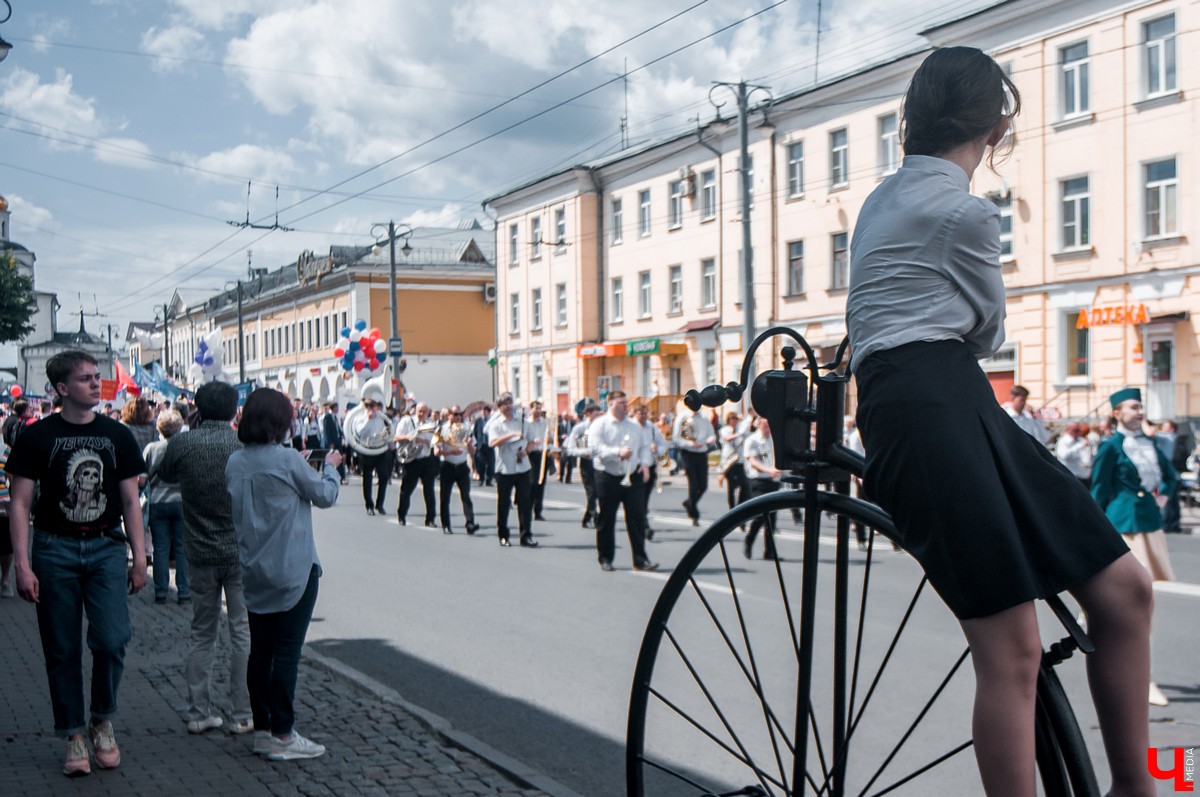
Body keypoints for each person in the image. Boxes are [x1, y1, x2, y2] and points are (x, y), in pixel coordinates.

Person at [846, 48, 1153, 797]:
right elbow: (987, 330)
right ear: (997, 125)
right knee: (1013, 648)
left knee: (1123, 591)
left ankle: (1135, 787)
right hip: (933, 405)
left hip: (939, 403)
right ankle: (1129, 783)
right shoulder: (964, 211)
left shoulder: (880, 200)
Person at [5, 350, 148, 777]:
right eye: (86, 378)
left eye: (96, 377)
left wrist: (140, 556)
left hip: (105, 547)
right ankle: (73, 735)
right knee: (62, 648)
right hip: (54, 550)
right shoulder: (36, 437)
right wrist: (23, 564)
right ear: (62, 389)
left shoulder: (117, 435)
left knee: (111, 639)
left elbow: (129, 500)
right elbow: (19, 503)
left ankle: (102, 719)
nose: (95, 383)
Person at [226, 388, 342, 761]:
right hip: (292, 568)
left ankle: (263, 730)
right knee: (287, 654)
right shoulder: (287, 458)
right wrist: (332, 467)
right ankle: (284, 733)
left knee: (260, 653)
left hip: (255, 569)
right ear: (279, 421)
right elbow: (323, 495)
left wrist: (299, 465)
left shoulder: (236, 462)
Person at [158, 381, 254, 736]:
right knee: (242, 632)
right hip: (239, 550)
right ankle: (243, 714)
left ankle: (199, 711)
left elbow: (165, 474)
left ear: (197, 406)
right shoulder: (243, 444)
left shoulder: (183, 443)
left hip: (198, 551)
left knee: (202, 633)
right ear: (233, 410)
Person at [1090, 388, 1178, 707]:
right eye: (1133, 407)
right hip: (1123, 524)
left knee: (1144, 598)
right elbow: (1099, 490)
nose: (1139, 412)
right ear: (1117, 413)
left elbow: (1169, 476)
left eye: (1141, 407)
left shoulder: (1151, 442)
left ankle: (1094, 613)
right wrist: (1092, 532)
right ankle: (1144, 677)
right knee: (1141, 599)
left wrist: (1164, 496)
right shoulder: (1111, 447)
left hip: (1149, 524)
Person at [587, 391, 656, 572]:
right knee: (607, 518)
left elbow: (644, 447)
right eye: (621, 403)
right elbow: (594, 448)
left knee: (637, 517)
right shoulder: (600, 424)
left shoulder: (634, 426)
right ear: (610, 404)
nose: (625, 406)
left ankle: (640, 560)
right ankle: (606, 558)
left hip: (632, 475)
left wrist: (645, 465)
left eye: (626, 403)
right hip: (607, 475)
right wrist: (617, 452)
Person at [142, 409, 189, 605]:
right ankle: (184, 591)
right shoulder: (186, 447)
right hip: (181, 502)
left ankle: (161, 591)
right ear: (179, 427)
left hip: (158, 502)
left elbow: (142, 477)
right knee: (182, 548)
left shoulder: (152, 448)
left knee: (160, 548)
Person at [485, 394, 536, 547]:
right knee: (504, 503)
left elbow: (532, 441)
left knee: (525, 503)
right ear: (499, 407)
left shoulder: (522, 421)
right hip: (505, 468)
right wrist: (511, 435)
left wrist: (526, 451)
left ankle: (526, 535)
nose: (508, 406)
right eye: (504, 404)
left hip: (522, 467)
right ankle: (503, 535)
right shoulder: (496, 424)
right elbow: (493, 443)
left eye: (509, 403)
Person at [742, 416, 782, 560]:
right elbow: (753, 461)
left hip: (773, 481)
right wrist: (768, 470)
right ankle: (750, 538)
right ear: (758, 424)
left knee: (772, 518)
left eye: (770, 425)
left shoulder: (774, 439)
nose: (768, 429)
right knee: (760, 515)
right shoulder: (752, 440)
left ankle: (769, 551)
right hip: (758, 481)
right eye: (766, 425)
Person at [434, 406, 479, 534]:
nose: (458, 417)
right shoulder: (442, 429)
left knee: (466, 496)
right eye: (455, 414)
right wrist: (449, 452)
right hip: (448, 465)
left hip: (462, 466)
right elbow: (436, 451)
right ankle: (446, 525)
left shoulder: (466, 429)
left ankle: (470, 523)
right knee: (445, 497)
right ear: (449, 415)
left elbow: (473, 451)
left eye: (460, 414)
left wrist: (470, 444)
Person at [394, 402, 438, 527]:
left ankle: (430, 519)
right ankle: (401, 515)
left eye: (424, 412)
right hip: (412, 460)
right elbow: (396, 437)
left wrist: (425, 441)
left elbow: (435, 443)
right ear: (416, 411)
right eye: (420, 411)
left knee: (429, 491)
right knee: (406, 490)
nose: (421, 414)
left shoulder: (431, 425)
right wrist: (409, 437)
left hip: (426, 459)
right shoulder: (407, 421)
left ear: (428, 413)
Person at [672, 406, 715, 526]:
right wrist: (691, 444)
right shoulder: (683, 417)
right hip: (688, 454)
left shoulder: (704, 417)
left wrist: (711, 439)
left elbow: (711, 433)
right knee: (693, 484)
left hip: (702, 453)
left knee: (703, 485)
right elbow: (676, 438)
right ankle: (694, 515)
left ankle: (689, 503)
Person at [349, 399, 392, 515]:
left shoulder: (381, 418)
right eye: (369, 406)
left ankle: (380, 504)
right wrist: (368, 419)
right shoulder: (360, 419)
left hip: (380, 450)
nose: (372, 408)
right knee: (367, 478)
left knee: (384, 477)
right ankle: (369, 505)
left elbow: (387, 431)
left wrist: (387, 439)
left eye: (373, 406)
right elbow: (360, 432)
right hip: (367, 451)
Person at [633, 403, 668, 541]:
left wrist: (657, 450)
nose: (643, 416)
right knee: (638, 500)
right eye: (640, 414)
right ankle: (645, 527)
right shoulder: (631, 427)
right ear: (634, 414)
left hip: (650, 467)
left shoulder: (652, 428)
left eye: (645, 413)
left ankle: (642, 525)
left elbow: (663, 444)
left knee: (644, 499)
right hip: (635, 469)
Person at [566, 404, 602, 527]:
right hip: (587, 463)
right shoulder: (580, 428)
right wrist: (584, 452)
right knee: (591, 491)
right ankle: (595, 516)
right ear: (587, 414)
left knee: (598, 492)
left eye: (599, 415)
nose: (598, 417)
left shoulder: (601, 427)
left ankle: (587, 518)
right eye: (595, 415)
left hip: (600, 463)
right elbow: (571, 449)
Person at [718, 412, 750, 511]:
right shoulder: (724, 430)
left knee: (744, 485)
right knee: (731, 487)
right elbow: (727, 438)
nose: (734, 420)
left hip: (739, 462)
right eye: (732, 418)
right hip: (729, 462)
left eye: (736, 418)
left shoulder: (741, 429)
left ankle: (740, 507)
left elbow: (749, 435)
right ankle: (732, 509)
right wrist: (739, 434)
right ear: (728, 420)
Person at [525, 401, 551, 521]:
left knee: (541, 483)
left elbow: (549, 437)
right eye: (536, 408)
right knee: (532, 483)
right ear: (531, 410)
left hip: (542, 454)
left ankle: (538, 511)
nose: (538, 411)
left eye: (540, 408)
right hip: (531, 454)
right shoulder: (526, 423)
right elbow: (523, 439)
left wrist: (549, 439)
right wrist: (531, 442)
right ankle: (528, 509)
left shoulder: (544, 423)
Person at [1055, 421, 1093, 488]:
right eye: (1076, 431)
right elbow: (1063, 456)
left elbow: (1087, 454)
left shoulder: (1081, 440)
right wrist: (1080, 446)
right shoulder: (1063, 441)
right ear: (1068, 430)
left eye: (1079, 430)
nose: (1078, 433)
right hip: (1071, 476)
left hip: (1084, 476)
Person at [318, 403, 347, 484]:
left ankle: (342, 477)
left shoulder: (335, 417)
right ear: (333, 408)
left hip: (337, 441)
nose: (338, 409)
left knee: (339, 458)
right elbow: (326, 431)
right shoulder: (327, 417)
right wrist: (330, 442)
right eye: (336, 407)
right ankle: (325, 476)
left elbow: (338, 429)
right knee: (328, 459)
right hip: (331, 442)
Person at [472, 404, 495, 486]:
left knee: (491, 464)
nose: (483, 413)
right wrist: (476, 443)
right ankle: (481, 479)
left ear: (488, 412)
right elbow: (475, 432)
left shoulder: (492, 421)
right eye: (482, 411)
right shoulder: (478, 421)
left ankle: (489, 480)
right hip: (481, 445)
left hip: (490, 445)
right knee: (481, 463)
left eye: (485, 411)